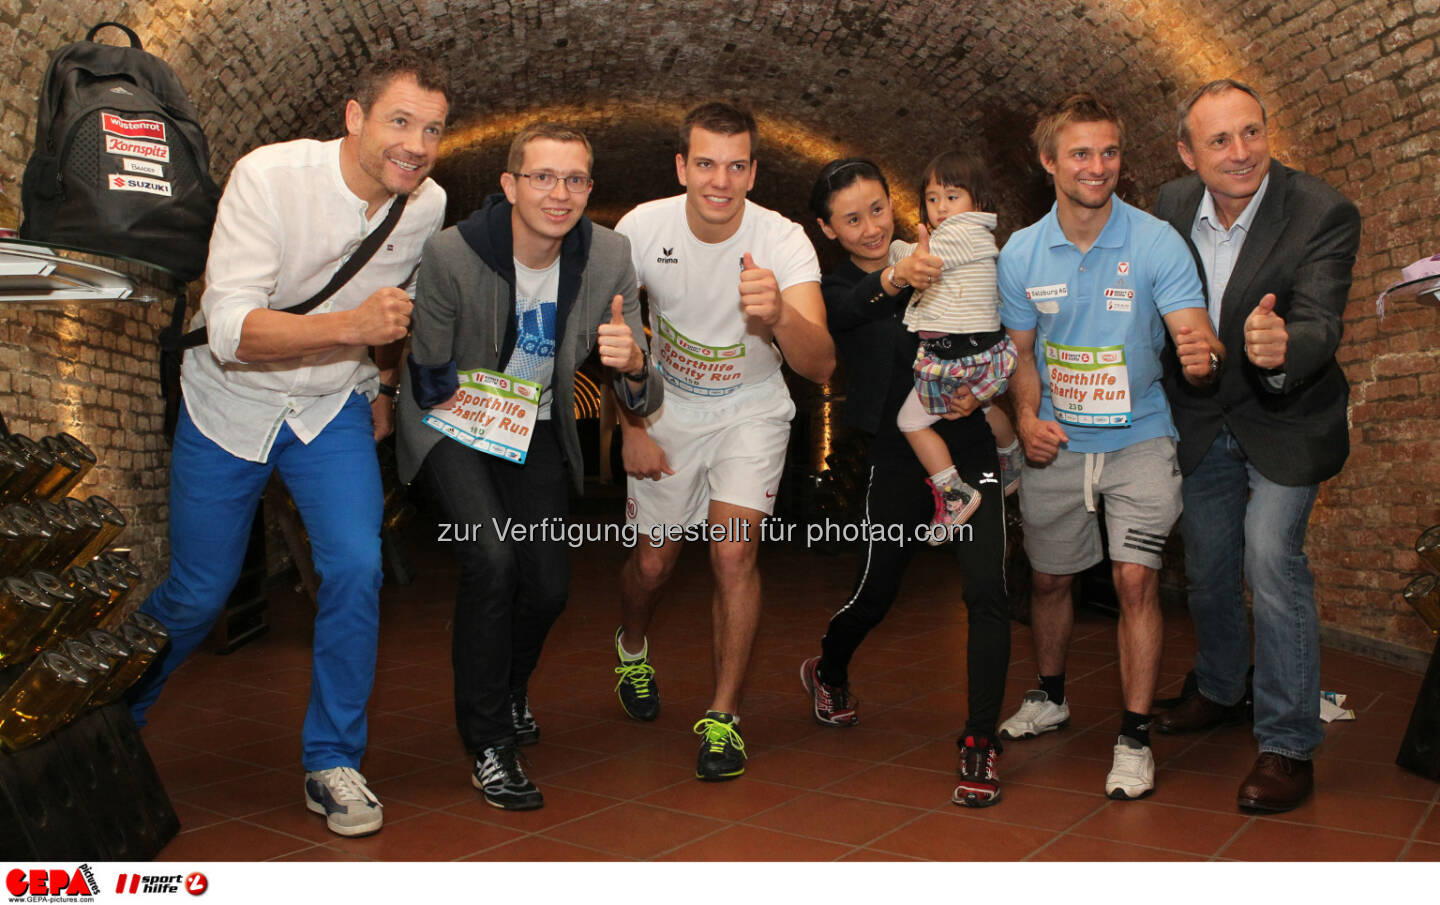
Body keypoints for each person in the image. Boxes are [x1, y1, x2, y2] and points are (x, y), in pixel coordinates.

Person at [127, 52, 450, 837]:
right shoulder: (269, 177)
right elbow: (234, 331)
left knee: (357, 564)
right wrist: (354, 330)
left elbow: (391, 310)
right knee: (198, 595)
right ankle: (111, 719)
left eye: (433, 129)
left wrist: (379, 383)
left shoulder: (427, 204)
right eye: (399, 121)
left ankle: (331, 758)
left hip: (326, 407)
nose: (416, 144)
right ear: (354, 117)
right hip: (229, 406)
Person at [396, 124, 662, 810]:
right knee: (493, 557)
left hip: (537, 424)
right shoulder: (452, 253)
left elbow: (643, 388)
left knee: (547, 585)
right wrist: (482, 402)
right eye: (543, 176)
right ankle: (488, 742)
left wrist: (630, 364)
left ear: (589, 190)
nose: (560, 192)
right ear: (511, 185)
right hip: (453, 417)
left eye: (575, 179)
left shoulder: (609, 256)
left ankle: (509, 688)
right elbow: (426, 375)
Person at [995, 93, 1225, 801]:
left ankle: (1132, 737)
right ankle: (1052, 693)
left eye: (1110, 152)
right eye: (1081, 153)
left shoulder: (1156, 242)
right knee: (1049, 581)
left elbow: (1193, 331)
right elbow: (1021, 354)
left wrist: (1198, 352)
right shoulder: (1022, 252)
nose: (1098, 167)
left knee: (1135, 581)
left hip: (1141, 436)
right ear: (1050, 162)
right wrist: (1027, 417)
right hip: (1057, 441)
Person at [1152, 79, 1360, 812]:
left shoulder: (1322, 209)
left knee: (1272, 557)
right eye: (1219, 140)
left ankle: (1288, 742)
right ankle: (1218, 686)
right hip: (1204, 417)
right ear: (1187, 152)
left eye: (1252, 132)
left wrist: (1281, 347)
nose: (1241, 153)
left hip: (1287, 416)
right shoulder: (1168, 209)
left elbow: (1321, 322)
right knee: (1208, 567)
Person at [612, 101, 835, 781]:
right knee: (653, 567)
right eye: (705, 163)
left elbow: (821, 364)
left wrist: (776, 317)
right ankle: (631, 644)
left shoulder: (783, 240)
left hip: (752, 409)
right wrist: (631, 428)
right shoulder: (639, 229)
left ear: (753, 171)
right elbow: (615, 341)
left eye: (736, 165)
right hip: (669, 410)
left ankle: (723, 716)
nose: (720, 180)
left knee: (734, 554)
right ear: (682, 166)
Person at [804, 157, 1013, 808]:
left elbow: (992, 330)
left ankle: (980, 738)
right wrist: (897, 276)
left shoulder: (940, 249)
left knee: (987, 589)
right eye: (850, 218)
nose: (869, 227)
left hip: (967, 439)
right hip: (895, 455)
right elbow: (851, 309)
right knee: (877, 591)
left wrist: (991, 398)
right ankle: (829, 667)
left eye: (876, 208)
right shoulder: (837, 289)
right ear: (828, 228)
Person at [887, 152, 1022, 538]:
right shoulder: (976, 234)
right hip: (982, 351)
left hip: (956, 356)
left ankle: (954, 491)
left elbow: (918, 260)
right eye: (932, 199)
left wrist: (895, 254)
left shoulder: (959, 234)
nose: (941, 208)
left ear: (977, 201)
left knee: (910, 422)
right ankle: (1010, 452)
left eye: (952, 196)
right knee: (982, 403)